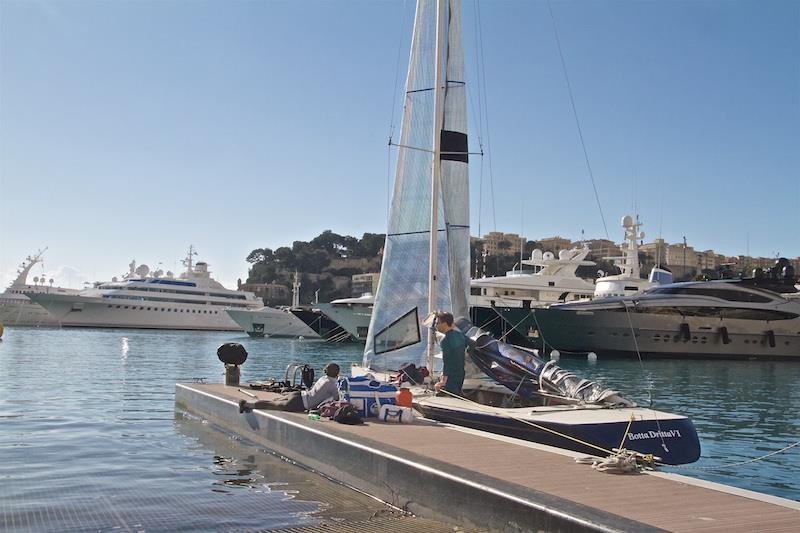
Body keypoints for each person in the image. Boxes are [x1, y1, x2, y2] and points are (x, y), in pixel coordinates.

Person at [239, 363, 341, 414]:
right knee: (273, 405)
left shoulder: (323, 378)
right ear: (336, 373)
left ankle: (250, 402)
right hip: (301, 403)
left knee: (273, 401)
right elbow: (338, 399)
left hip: (300, 394)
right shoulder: (332, 384)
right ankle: (245, 404)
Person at [433, 311, 466, 396]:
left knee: (448, 398)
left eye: (437, 323)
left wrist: (443, 380)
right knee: (455, 395)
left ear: (444, 324)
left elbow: (447, 362)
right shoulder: (460, 335)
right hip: (461, 373)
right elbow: (472, 344)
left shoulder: (445, 340)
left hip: (451, 376)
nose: (435, 326)